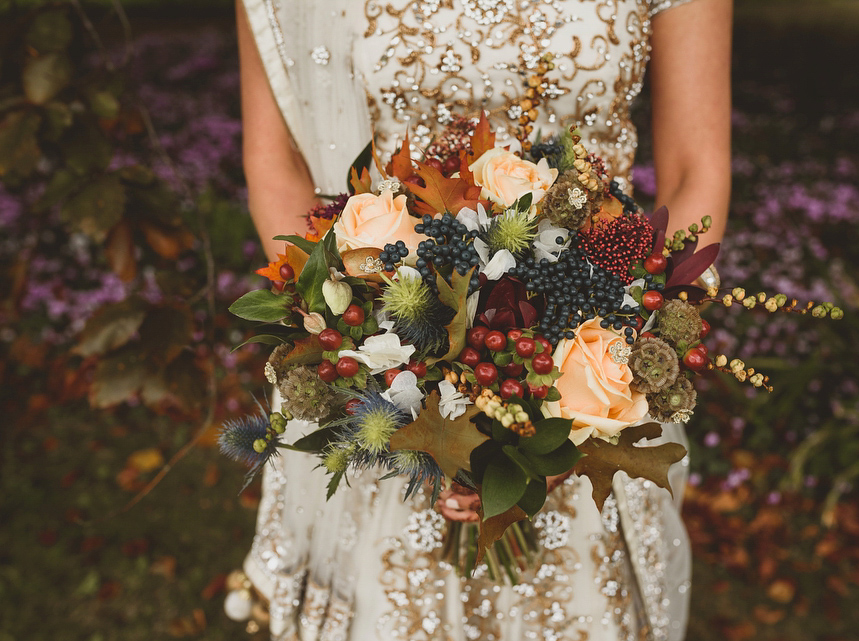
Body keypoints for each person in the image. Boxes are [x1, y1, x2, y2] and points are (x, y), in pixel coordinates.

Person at [232, 1, 731, 639]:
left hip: (592, 368)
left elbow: (697, 171)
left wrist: (593, 377)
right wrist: (387, 369)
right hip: (385, 374)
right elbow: (279, 169)